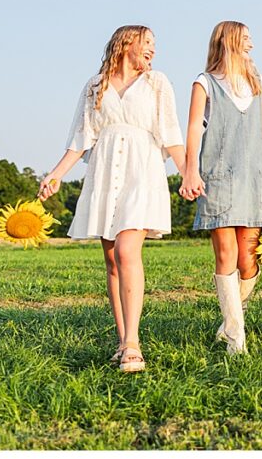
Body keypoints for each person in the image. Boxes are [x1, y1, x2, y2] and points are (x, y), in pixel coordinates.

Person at [39, 25, 185, 373]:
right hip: (105, 172)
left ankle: (134, 342)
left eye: (154, 44)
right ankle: (122, 342)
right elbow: (81, 136)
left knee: (126, 250)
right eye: (146, 42)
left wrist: (188, 172)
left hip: (143, 170)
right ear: (126, 43)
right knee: (112, 260)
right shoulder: (95, 85)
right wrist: (56, 174)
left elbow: (170, 131)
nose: (152, 49)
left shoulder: (157, 83)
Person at [179, 21, 262, 355]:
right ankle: (237, 339)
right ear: (228, 40)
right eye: (245, 35)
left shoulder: (258, 83)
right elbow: (193, 129)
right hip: (217, 175)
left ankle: (227, 322)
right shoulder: (204, 82)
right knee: (227, 254)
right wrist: (190, 171)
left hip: (253, 178)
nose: (251, 40)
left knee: (249, 260)